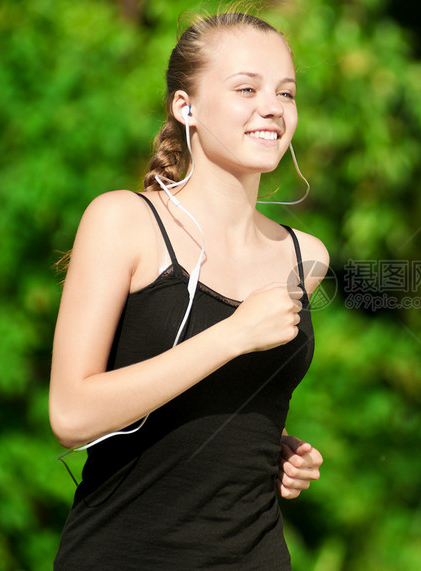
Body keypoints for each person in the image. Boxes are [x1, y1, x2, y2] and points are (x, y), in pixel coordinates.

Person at [48, 11, 328, 568]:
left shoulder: (306, 256)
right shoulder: (123, 221)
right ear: (186, 106)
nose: (271, 107)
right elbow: (71, 414)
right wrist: (234, 335)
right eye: (246, 88)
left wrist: (275, 447)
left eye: (286, 92)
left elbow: (218, 402)